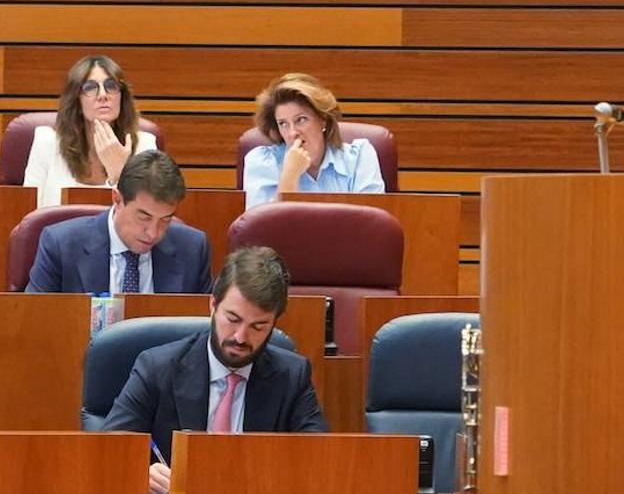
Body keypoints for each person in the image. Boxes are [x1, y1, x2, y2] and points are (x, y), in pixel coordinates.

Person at [103, 246, 328, 494]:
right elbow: (109, 454)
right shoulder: (157, 368)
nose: (241, 337)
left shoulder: (292, 376)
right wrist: (141, 473)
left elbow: (317, 463)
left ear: (274, 322)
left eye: (259, 326)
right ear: (213, 304)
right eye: (232, 319)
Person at [25, 149, 211, 294]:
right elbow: (36, 322)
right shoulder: (61, 245)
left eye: (165, 220)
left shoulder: (192, 249)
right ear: (117, 199)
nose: (154, 233)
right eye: (144, 217)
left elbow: (205, 331)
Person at [24, 54, 158, 208]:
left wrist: (119, 174)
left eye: (111, 86)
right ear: (76, 100)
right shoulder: (46, 143)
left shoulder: (144, 147)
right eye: (90, 88)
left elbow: (147, 218)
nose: (103, 95)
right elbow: (27, 218)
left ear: (122, 97)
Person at [242, 72, 384, 208]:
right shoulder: (262, 161)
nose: (292, 133)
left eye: (301, 120)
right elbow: (263, 230)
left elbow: (371, 225)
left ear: (323, 120)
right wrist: (290, 175)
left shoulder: (359, 158)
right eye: (283, 123)